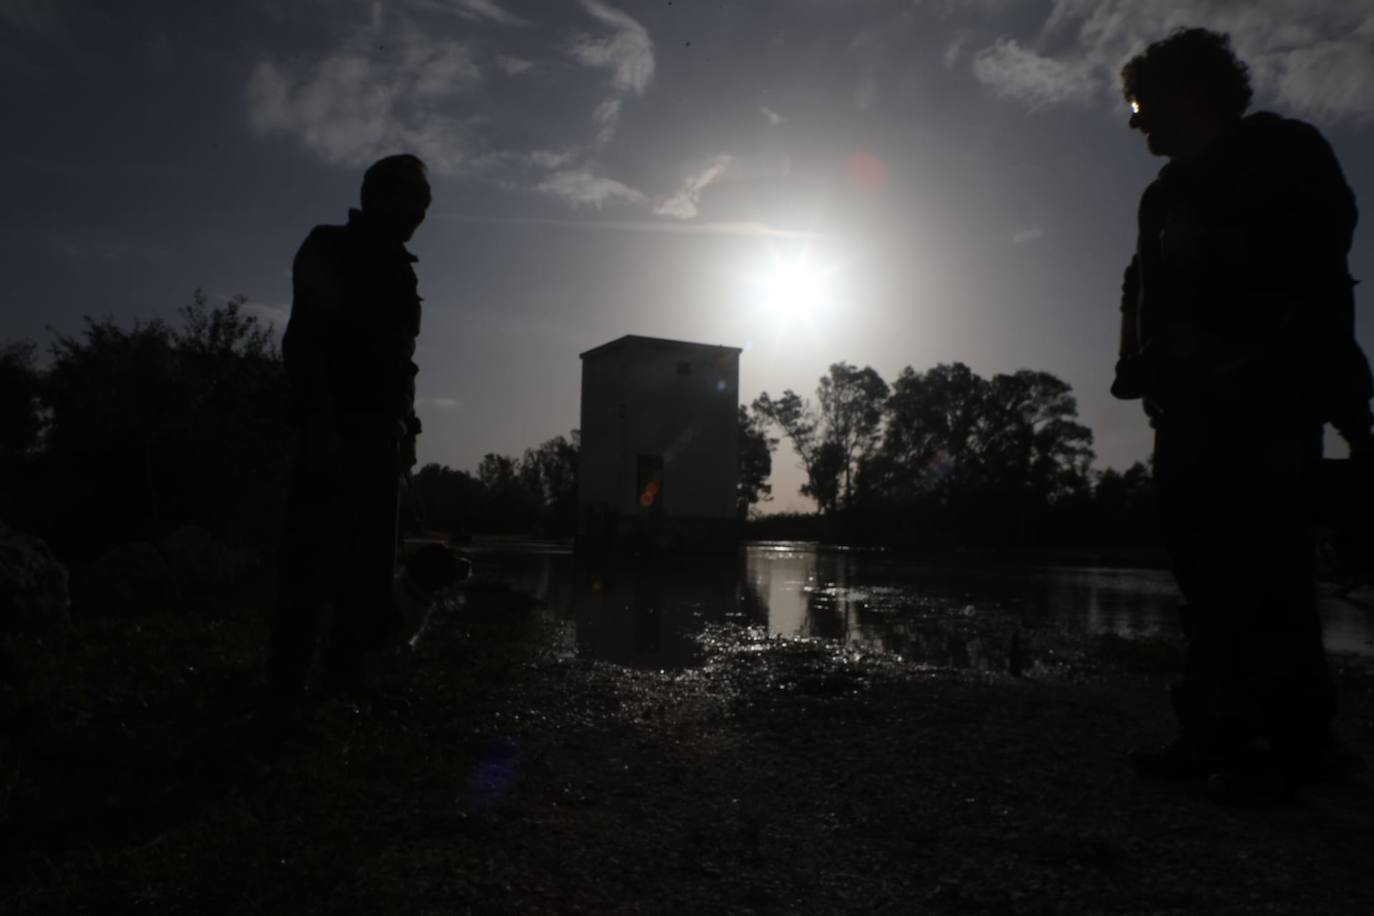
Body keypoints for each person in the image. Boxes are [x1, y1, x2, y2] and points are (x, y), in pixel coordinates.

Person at [1112, 28, 1373, 802]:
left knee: (1270, 569)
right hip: (1185, 412)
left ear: (1190, 92)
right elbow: (1141, 283)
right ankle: (1212, 732)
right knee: (1204, 575)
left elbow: (1320, 261)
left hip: (1268, 400)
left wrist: (1220, 278)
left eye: (1141, 104)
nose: (1135, 123)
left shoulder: (1287, 154)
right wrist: (1137, 361)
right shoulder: (1160, 195)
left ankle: (1302, 747)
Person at [267, 154, 431, 709]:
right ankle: (284, 690)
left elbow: (401, 362)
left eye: (423, 204)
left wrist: (407, 432)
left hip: (381, 443)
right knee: (307, 568)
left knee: (367, 574)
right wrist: (319, 429)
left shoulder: (402, 272)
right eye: (407, 199)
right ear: (373, 196)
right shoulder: (329, 247)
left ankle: (345, 685)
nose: (416, 212)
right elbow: (304, 344)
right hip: (333, 434)